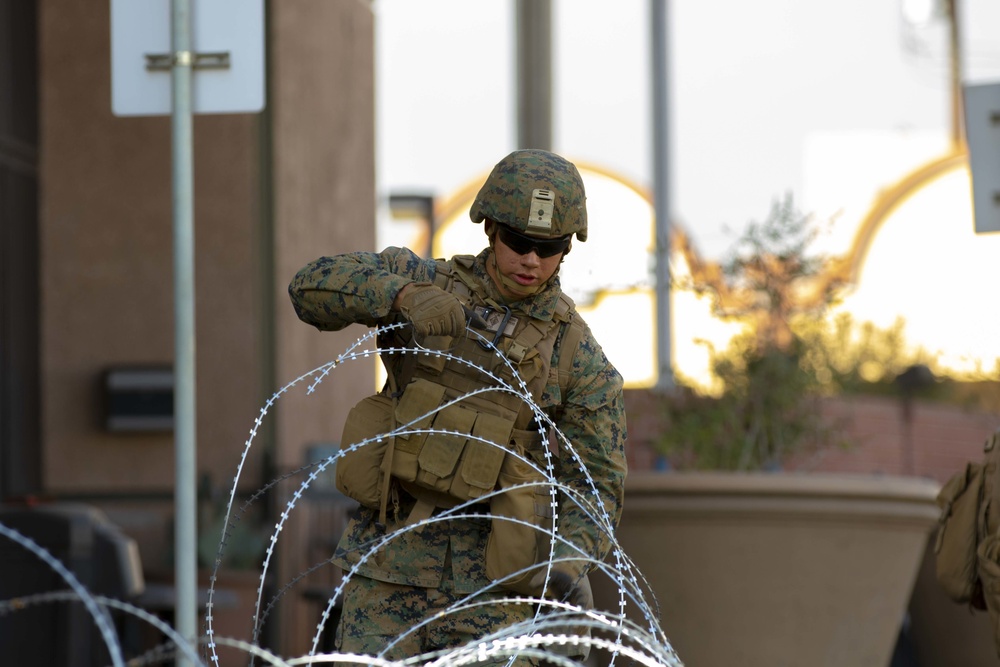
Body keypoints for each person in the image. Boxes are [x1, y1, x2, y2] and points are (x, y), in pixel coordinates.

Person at [288, 149, 627, 662]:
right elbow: (309, 287)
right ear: (490, 227)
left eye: (549, 247)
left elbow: (596, 480)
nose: (531, 260)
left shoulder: (575, 355)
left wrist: (565, 565)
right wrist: (398, 296)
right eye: (518, 241)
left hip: (495, 592)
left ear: (567, 249)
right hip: (389, 569)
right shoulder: (424, 282)